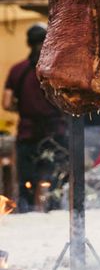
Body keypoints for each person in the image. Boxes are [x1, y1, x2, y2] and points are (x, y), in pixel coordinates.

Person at [2, 24, 67, 212]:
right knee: (55, 179)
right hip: (55, 132)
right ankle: (54, 211)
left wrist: (23, 107)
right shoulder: (56, 69)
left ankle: (28, 210)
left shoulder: (18, 70)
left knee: (27, 181)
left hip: (27, 133)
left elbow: (6, 103)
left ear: (29, 44)